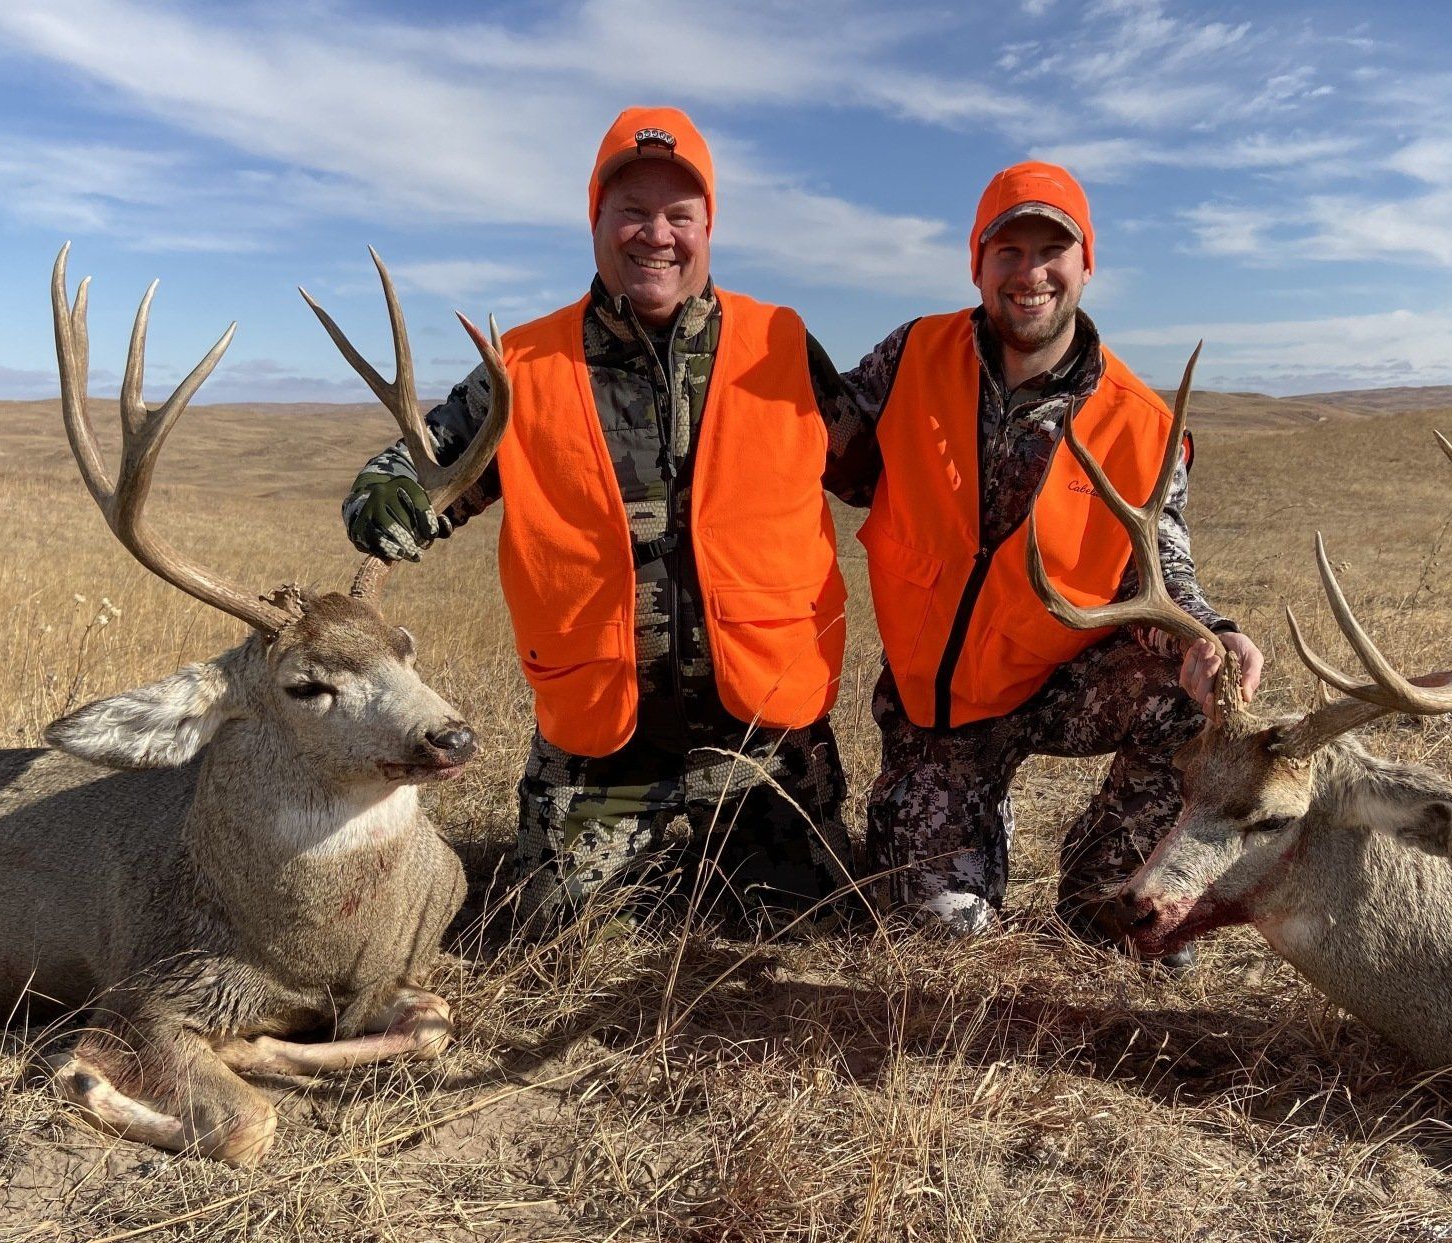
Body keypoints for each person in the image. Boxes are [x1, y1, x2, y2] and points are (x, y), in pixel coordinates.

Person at [342, 107, 871, 931]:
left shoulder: (782, 346)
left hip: (764, 743)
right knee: (541, 934)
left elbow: (878, 472)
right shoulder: (522, 367)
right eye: (631, 211)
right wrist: (385, 492)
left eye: (678, 215)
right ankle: (653, 856)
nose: (654, 235)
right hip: (603, 747)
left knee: (816, 925)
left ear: (707, 228)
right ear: (596, 222)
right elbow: (424, 463)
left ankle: (725, 854)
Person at [835, 160, 1265, 950]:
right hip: (941, 713)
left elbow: (1163, 571)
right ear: (978, 264)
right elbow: (821, 449)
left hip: (1061, 681)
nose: (1029, 273)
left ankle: (1104, 894)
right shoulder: (911, 359)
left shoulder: (1140, 424)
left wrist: (1211, 635)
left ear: (1085, 264)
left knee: (1183, 693)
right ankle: (963, 822)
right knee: (945, 933)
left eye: (1051, 251)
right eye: (1008, 252)